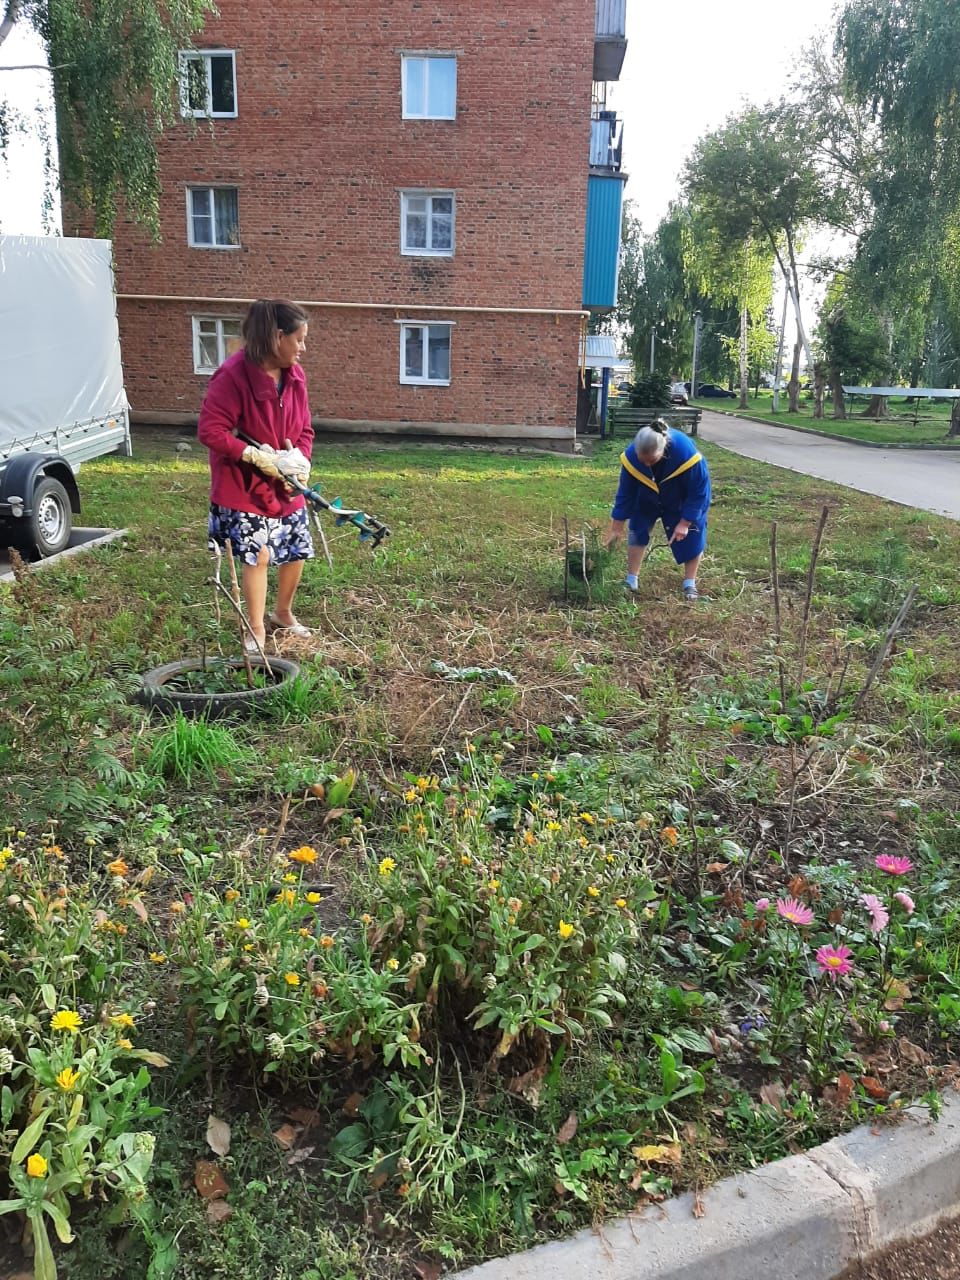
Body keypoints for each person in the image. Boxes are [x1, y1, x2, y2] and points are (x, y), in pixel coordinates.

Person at [198, 299, 315, 651]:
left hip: (285, 484)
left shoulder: (295, 376)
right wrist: (254, 456)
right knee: (259, 554)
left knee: (295, 549)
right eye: (299, 339)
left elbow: (306, 427)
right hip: (243, 485)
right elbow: (211, 430)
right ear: (278, 337)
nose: (303, 348)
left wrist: (300, 460)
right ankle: (255, 629)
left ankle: (283, 613)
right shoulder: (233, 376)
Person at [603, 418, 711, 601]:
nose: (646, 465)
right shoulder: (630, 458)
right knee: (637, 531)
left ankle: (690, 584)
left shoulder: (687, 456)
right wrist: (616, 526)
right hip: (647, 496)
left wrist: (685, 522)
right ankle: (631, 580)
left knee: (693, 535)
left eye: (651, 460)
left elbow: (699, 493)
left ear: (663, 451)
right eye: (642, 460)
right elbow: (625, 493)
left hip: (680, 497)